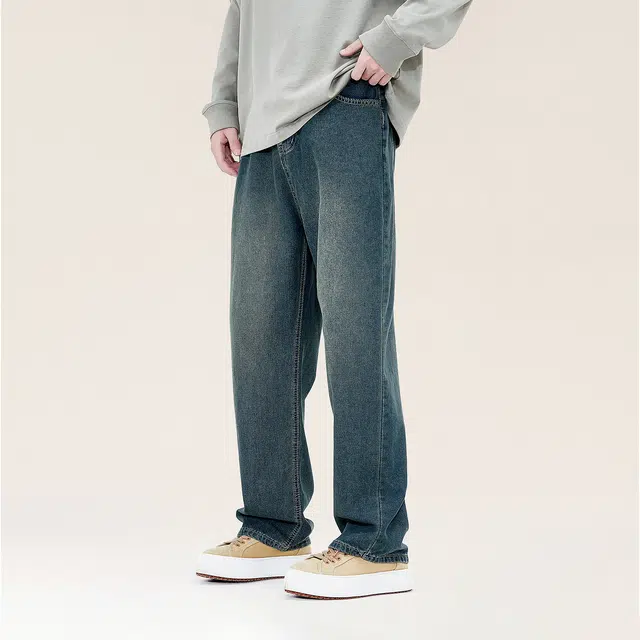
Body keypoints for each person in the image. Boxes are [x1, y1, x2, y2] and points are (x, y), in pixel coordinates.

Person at [196, 0, 472, 600]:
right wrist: (224, 103)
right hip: (261, 125)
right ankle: (272, 527)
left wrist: (394, 39)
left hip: (344, 105)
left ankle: (375, 544)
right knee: (261, 338)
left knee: (356, 333)